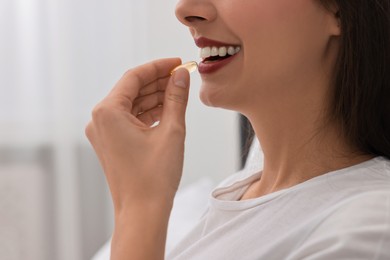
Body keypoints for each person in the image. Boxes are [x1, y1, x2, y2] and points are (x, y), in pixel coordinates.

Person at [85, 0, 390, 259]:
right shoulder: (237, 197)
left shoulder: (367, 229)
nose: (185, 9)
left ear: (337, 10)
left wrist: (139, 208)